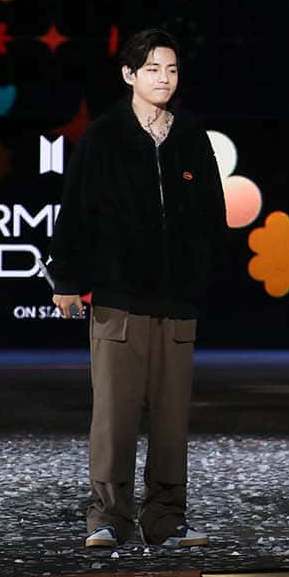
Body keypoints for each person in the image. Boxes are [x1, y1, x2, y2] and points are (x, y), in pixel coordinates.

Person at [46, 28, 226, 549]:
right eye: (152, 69)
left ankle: (166, 518)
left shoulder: (190, 134)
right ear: (129, 74)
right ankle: (108, 517)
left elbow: (211, 214)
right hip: (119, 298)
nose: (163, 79)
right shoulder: (103, 136)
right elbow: (76, 210)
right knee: (114, 418)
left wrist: (201, 273)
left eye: (171, 69)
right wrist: (68, 280)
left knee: (171, 422)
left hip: (177, 301)